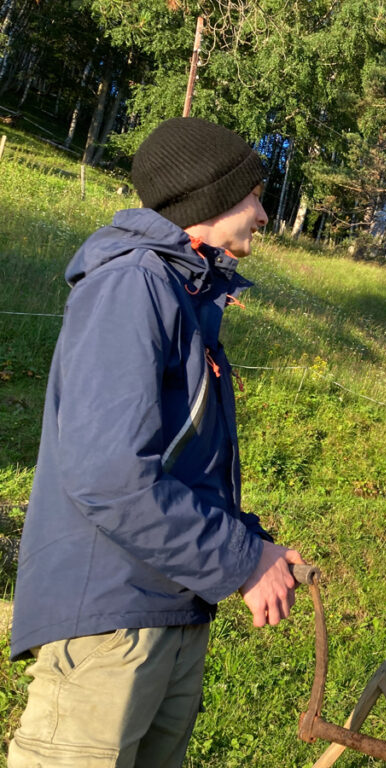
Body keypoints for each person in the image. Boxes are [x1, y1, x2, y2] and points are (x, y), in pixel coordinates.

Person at [8, 117, 305, 767]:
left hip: (165, 611)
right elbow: (109, 473)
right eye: (252, 193)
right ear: (208, 197)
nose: (262, 212)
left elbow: (177, 467)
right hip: (111, 622)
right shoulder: (133, 283)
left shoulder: (181, 291)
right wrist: (240, 561)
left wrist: (251, 546)